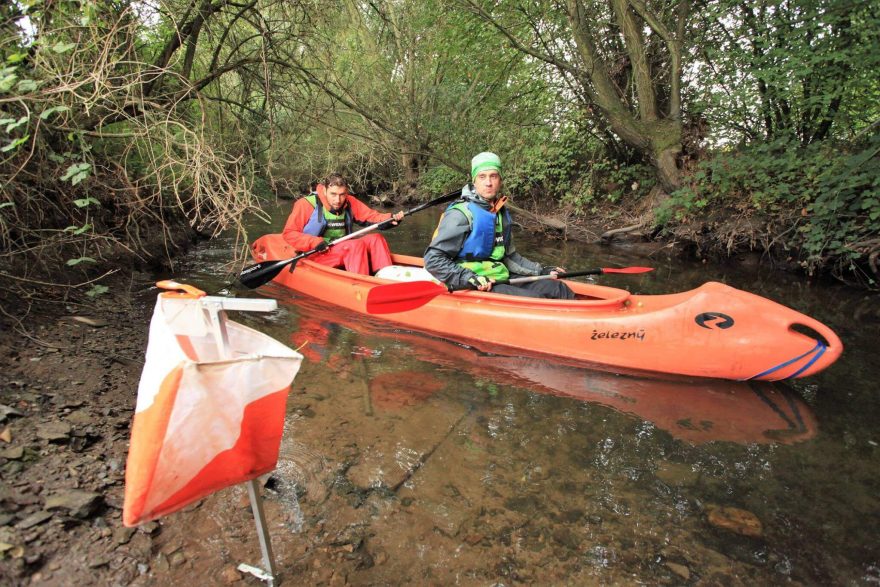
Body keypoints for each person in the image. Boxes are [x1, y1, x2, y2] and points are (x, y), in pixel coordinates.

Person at [424, 152, 576, 299]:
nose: (488, 182)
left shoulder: (501, 213)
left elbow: (509, 256)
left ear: (500, 180)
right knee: (535, 300)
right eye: (482, 177)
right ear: (474, 180)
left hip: (498, 275)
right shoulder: (461, 214)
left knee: (558, 288)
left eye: (493, 176)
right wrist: (468, 277)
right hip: (471, 282)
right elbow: (433, 259)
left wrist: (540, 271)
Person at [282, 173, 405, 275]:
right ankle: (360, 284)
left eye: (342, 195)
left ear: (346, 192)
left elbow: (371, 216)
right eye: (333, 194)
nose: (338, 200)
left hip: (342, 249)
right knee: (355, 245)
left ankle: (386, 277)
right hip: (316, 253)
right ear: (324, 190)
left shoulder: (349, 202)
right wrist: (314, 242)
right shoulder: (305, 204)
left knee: (376, 239)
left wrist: (390, 218)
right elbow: (289, 233)